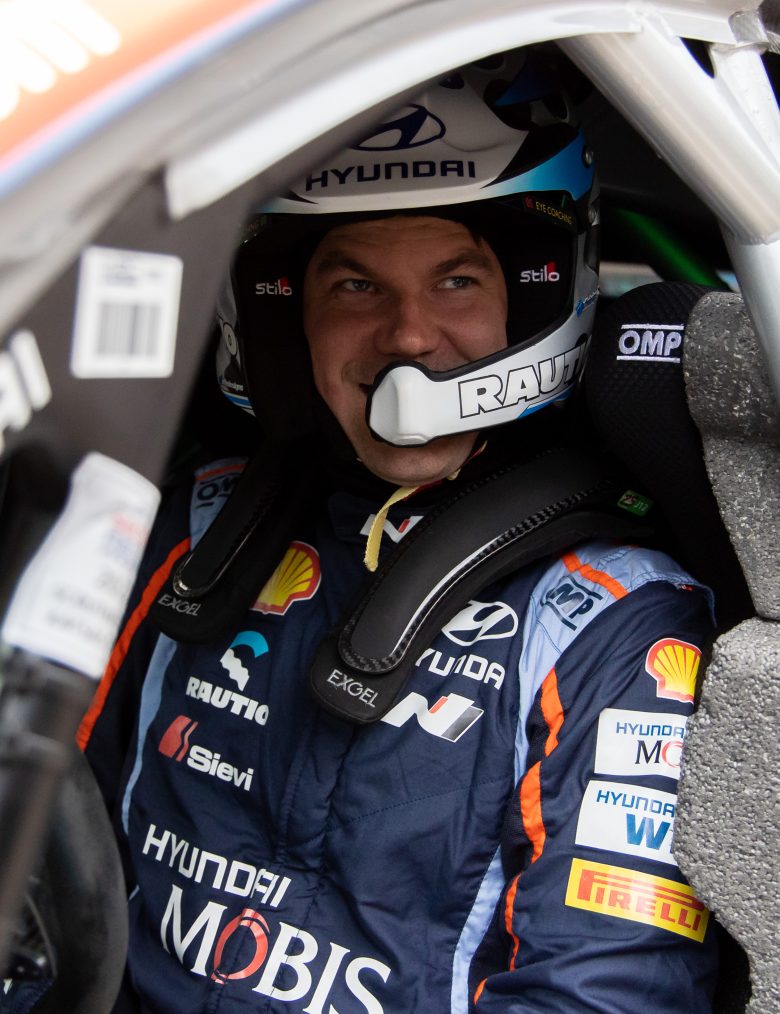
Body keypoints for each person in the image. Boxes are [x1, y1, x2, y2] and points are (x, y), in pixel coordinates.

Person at [72, 51, 717, 1012]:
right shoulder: (192, 531)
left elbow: (604, 991)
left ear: (530, 301)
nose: (410, 336)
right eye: (355, 287)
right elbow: (38, 829)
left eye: (456, 280)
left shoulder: (610, 621)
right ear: (289, 322)